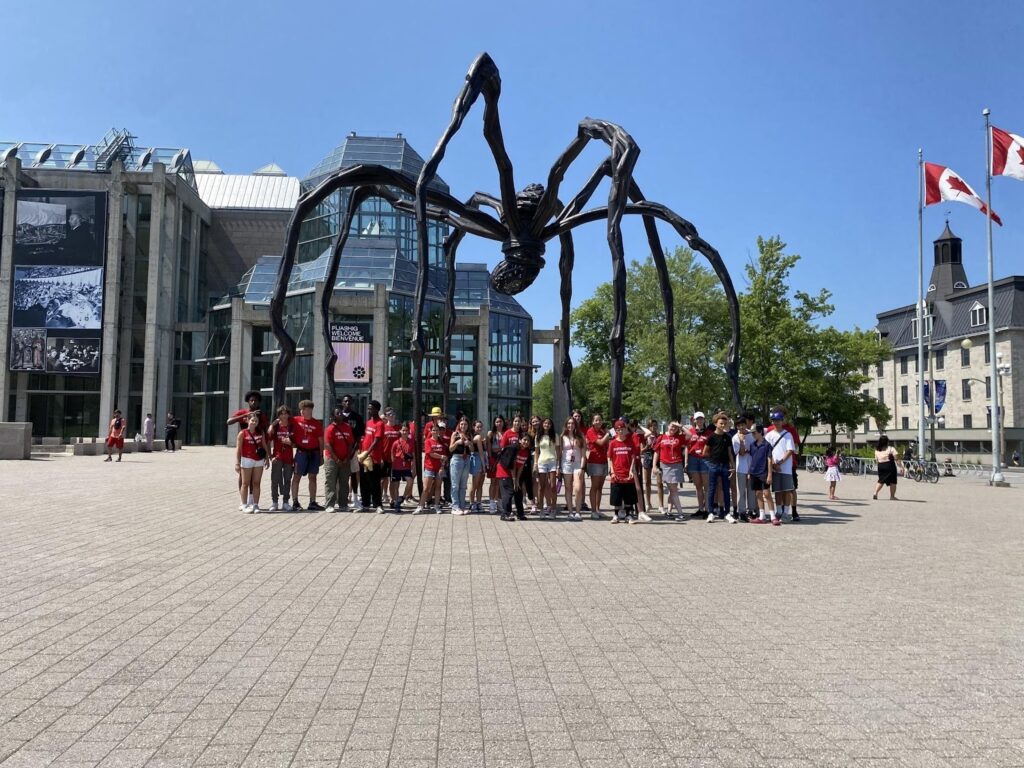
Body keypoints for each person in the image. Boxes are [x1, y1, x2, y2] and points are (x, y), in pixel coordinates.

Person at [766, 406, 802, 521]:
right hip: (774, 467)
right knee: (777, 490)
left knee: (787, 490)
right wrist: (772, 465)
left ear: (783, 420)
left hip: (786, 467)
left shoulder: (788, 434)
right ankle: (779, 511)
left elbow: (790, 450)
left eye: (778, 420)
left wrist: (780, 462)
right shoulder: (769, 435)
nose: (776, 422)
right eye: (774, 420)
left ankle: (787, 512)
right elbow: (767, 451)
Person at [290, 400, 325, 511]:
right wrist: (273, 425)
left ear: (310, 410)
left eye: (305, 409)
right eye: (302, 409)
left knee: (313, 477)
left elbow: (321, 441)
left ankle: (312, 502)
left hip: (314, 454)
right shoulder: (295, 420)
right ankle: (295, 502)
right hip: (301, 453)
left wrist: (321, 456)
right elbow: (282, 420)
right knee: (296, 477)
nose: (303, 411)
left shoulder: (317, 424)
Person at [607, 419, 641, 524]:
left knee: (628, 497)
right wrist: (612, 471)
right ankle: (616, 515)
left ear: (625, 429)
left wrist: (631, 470)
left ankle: (628, 515)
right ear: (616, 431)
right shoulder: (612, 443)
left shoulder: (630, 442)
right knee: (616, 497)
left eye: (622, 429)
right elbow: (609, 458)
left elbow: (633, 457)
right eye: (618, 429)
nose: (620, 431)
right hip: (616, 474)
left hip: (627, 474)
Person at [704, 412, 735, 522]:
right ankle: (711, 512)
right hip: (714, 465)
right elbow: (705, 452)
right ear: (715, 424)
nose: (723, 425)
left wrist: (733, 466)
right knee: (712, 489)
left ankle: (727, 513)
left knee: (726, 489)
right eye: (721, 423)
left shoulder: (727, 437)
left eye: (724, 424)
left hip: (725, 466)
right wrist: (712, 459)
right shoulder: (711, 437)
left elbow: (730, 453)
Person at [235, 412, 269, 513]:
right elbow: (238, 449)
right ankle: (244, 504)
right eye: (252, 420)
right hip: (247, 460)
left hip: (259, 460)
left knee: (256, 483)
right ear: (247, 421)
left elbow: (264, 445)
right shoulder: (242, 433)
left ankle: (255, 505)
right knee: (245, 483)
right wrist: (237, 463)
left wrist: (267, 458)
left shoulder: (260, 432)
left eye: (256, 421)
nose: (254, 422)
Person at [497, 415, 529, 521]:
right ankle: (505, 514)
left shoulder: (525, 452)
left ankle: (520, 514)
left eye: (527, 441)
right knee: (509, 492)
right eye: (524, 440)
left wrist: (517, 480)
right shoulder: (513, 448)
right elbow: (512, 465)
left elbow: (520, 467)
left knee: (518, 491)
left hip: (514, 471)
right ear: (519, 440)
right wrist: (515, 480)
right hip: (505, 469)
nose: (525, 442)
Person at [324, 408, 355, 513]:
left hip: (345, 459)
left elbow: (350, 443)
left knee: (344, 482)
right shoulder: (330, 428)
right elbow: (328, 445)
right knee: (331, 482)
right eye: (338, 413)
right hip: (332, 459)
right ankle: (329, 504)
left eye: (341, 413)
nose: (341, 414)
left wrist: (347, 457)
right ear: (333, 416)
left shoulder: (347, 427)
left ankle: (343, 504)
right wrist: (336, 459)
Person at [654, 421, 686, 519]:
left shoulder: (679, 437)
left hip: (677, 465)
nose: (673, 428)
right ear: (668, 426)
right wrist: (654, 466)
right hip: (665, 465)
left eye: (675, 428)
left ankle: (671, 511)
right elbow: (656, 452)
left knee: (672, 490)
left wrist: (680, 426)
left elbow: (689, 435)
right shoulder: (661, 437)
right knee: (673, 490)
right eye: (672, 426)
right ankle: (679, 513)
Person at [357, 400, 385, 512]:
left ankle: (378, 505)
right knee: (364, 482)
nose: (369, 410)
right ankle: (365, 504)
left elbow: (376, 441)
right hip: (364, 458)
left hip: (373, 458)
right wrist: (361, 453)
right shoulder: (368, 422)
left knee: (374, 483)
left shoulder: (380, 423)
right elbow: (365, 439)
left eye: (371, 408)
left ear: (377, 410)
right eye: (368, 408)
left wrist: (366, 453)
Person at [747, 424, 778, 524]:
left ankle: (773, 516)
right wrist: (749, 472)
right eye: (751, 433)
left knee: (767, 493)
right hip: (754, 472)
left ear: (760, 432)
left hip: (764, 472)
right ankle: (762, 516)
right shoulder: (752, 445)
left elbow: (769, 460)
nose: (752, 435)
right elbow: (752, 459)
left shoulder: (767, 445)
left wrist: (770, 474)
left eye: (754, 432)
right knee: (758, 493)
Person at [267, 405, 296, 511]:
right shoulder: (275, 427)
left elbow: (296, 443)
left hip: (288, 458)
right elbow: (268, 441)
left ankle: (286, 502)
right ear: (278, 415)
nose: (284, 416)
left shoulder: (292, 426)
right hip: (277, 457)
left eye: (285, 413)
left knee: (287, 480)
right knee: (274, 480)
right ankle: (274, 502)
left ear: (288, 414)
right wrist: (270, 457)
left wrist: (291, 443)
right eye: (281, 413)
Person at [338, 395, 365, 503]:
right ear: (342, 403)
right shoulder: (338, 416)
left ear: (352, 402)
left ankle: (354, 496)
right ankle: (341, 497)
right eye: (345, 401)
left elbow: (359, 436)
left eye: (349, 401)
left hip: (353, 450)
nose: (347, 403)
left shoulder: (357, 417)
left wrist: (354, 450)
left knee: (354, 474)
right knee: (340, 475)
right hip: (340, 451)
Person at [686, 412, 712, 517]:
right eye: (698, 419)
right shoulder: (690, 432)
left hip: (705, 459)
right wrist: (686, 462)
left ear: (704, 420)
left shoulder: (709, 432)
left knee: (706, 486)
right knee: (698, 486)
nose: (699, 421)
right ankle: (700, 508)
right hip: (693, 459)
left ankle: (707, 509)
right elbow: (687, 448)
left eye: (701, 419)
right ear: (694, 420)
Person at [585, 413, 612, 519]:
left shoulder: (602, 431)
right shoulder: (590, 431)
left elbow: (607, 445)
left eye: (600, 420)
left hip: (603, 461)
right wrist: (608, 434)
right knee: (594, 486)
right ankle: (593, 511)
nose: (598, 422)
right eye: (596, 420)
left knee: (600, 487)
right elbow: (600, 443)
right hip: (594, 462)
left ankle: (597, 509)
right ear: (592, 422)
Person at [559, 416, 585, 521]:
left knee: (578, 488)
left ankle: (578, 511)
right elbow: (560, 453)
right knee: (568, 488)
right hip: (566, 465)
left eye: (573, 423)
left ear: (575, 425)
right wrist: (558, 467)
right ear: (566, 425)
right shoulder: (562, 437)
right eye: (569, 423)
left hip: (578, 465)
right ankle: (570, 512)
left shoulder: (580, 436)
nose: (571, 425)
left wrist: (583, 468)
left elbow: (583, 454)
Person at [416, 423, 445, 514]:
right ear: (431, 431)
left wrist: (442, 467)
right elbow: (430, 453)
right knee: (426, 488)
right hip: (429, 468)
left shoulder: (442, 442)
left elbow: (445, 456)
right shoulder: (428, 441)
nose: (435, 432)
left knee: (438, 487)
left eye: (437, 430)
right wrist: (441, 457)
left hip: (439, 468)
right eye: (433, 430)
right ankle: (420, 506)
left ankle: (436, 506)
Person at [448, 416, 473, 515]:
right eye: (461, 424)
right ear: (459, 424)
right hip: (457, 459)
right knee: (455, 485)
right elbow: (450, 449)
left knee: (463, 485)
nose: (463, 426)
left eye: (465, 424)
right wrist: (457, 442)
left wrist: (469, 444)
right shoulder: (455, 434)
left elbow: (472, 450)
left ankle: (462, 506)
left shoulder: (469, 435)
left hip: (466, 459)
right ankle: (455, 507)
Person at [731, 414, 755, 521]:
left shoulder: (752, 435)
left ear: (746, 425)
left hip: (752, 467)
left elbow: (754, 451)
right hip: (741, 467)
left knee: (751, 490)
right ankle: (741, 511)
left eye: (743, 424)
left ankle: (752, 510)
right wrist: (741, 441)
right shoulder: (735, 437)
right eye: (739, 425)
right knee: (741, 490)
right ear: (736, 427)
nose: (741, 427)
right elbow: (740, 453)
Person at [535, 417, 559, 518]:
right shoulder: (538, 436)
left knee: (553, 486)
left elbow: (558, 451)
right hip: (541, 463)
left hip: (552, 462)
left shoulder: (555, 436)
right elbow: (536, 452)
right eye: (545, 423)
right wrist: (535, 464)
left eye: (549, 423)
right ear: (542, 424)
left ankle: (553, 509)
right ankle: (541, 510)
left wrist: (558, 466)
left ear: (551, 425)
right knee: (541, 487)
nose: (547, 425)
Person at [389, 424, 414, 513]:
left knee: (410, 481)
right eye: (403, 430)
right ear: (400, 431)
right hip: (397, 466)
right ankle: (396, 503)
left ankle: (402, 497)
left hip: (406, 466)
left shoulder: (411, 442)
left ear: (408, 432)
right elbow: (392, 453)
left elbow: (413, 454)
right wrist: (393, 464)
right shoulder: (396, 442)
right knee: (396, 485)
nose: (404, 432)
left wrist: (412, 463)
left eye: (406, 430)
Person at [641, 419, 664, 515]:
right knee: (647, 482)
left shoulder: (660, 436)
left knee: (659, 483)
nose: (653, 427)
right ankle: (648, 503)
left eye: (655, 425)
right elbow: (641, 450)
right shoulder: (645, 436)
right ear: (648, 427)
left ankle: (661, 505)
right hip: (647, 457)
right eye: (651, 426)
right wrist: (647, 445)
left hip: (658, 459)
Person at [486, 416, 507, 514]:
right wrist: (490, 459)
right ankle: (491, 503)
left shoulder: (506, 433)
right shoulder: (491, 434)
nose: (499, 423)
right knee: (493, 482)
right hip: (493, 459)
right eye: (497, 422)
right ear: (494, 423)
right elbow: (490, 448)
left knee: (500, 483)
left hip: (503, 460)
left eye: (500, 421)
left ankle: (499, 501)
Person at [469, 419, 487, 513]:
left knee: (480, 484)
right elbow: (480, 453)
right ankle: (472, 503)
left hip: (482, 458)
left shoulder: (480, 437)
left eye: (481, 426)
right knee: (475, 484)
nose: (479, 428)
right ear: (473, 427)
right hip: (478, 459)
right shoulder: (477, 437)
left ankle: (479, 503)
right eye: (477, 426)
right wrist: (484, 465)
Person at [873, 435, 898, 500]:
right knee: (893, 481)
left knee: (881, 480)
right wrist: (901, 467)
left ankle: (875, 493)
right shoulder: (891, 448)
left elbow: (876, 460)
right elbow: (896, 458)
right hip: (890, 465)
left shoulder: (877, 450)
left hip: (880, 465)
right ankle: (892, 496)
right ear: (887, 441)